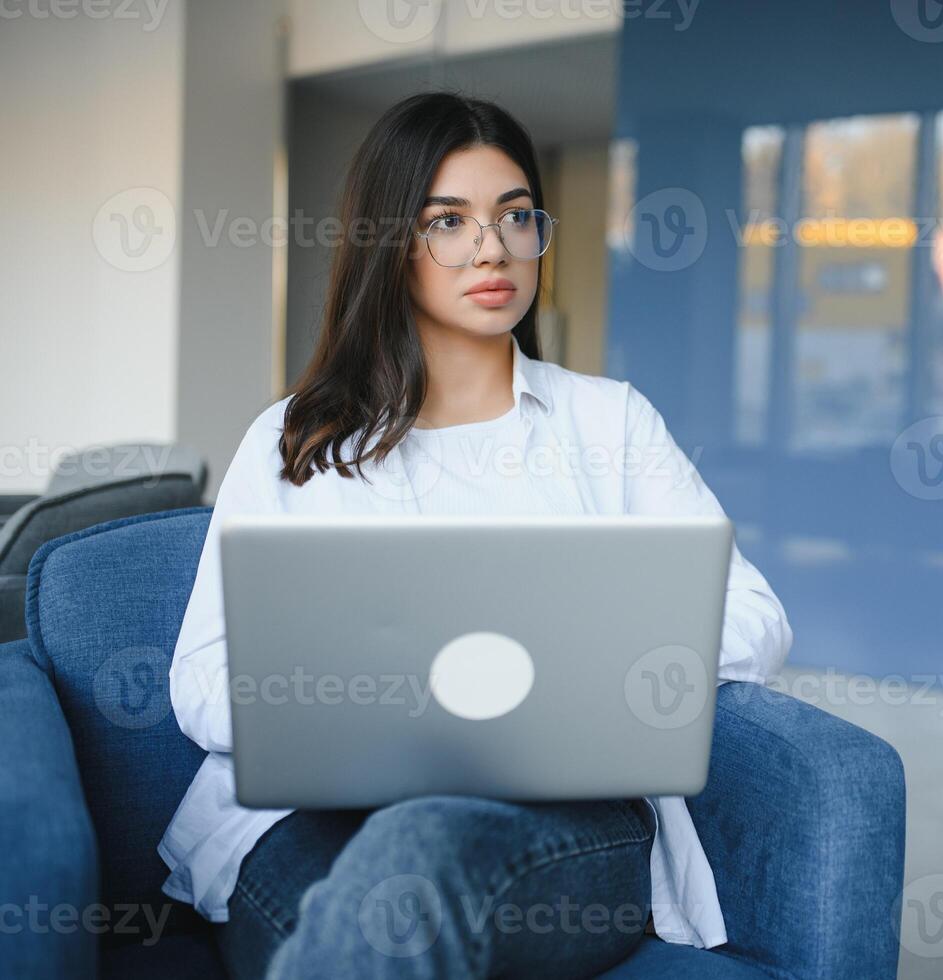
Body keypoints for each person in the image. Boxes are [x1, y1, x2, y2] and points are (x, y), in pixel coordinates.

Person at [158, 91, 794, 979]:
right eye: (448, 221)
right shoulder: (293, 439)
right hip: (309, 820)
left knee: (419, 858)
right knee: (382, 903)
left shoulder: (608, 422)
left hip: (564, 818)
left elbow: (754, 616)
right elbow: (201, 679)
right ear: (392, 244)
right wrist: (356, 707)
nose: (492, 247)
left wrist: (587, 664)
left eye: (514, 216)